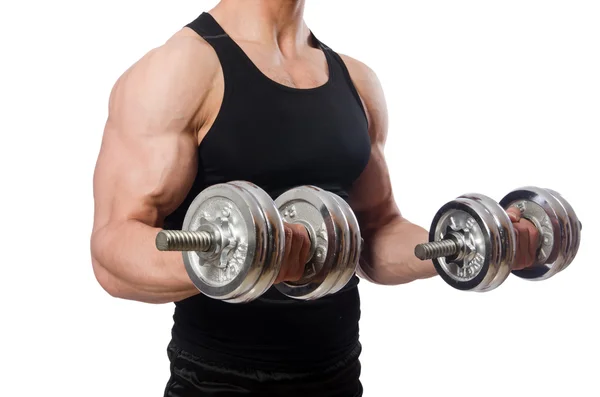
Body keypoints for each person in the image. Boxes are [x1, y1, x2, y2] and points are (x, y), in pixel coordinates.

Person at [90, 1, 539, 395]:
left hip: (338, 375)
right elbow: (112, 254)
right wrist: (250, 260)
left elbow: (376, 233)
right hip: (217, 380)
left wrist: (473, 244)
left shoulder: (356, 80)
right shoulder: (180, 68)